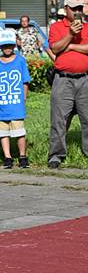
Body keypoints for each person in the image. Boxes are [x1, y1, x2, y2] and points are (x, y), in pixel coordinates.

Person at [47, 0, 88, 169]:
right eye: (74, 8)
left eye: (80, 8)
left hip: (85, 79)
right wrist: (70, 34)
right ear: (66, 9)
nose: (78, 11)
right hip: (63, 80)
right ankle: (56, 155)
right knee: (59, 120)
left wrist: (69, 46)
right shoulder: (56, 27)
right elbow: (55, 47)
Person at [0, 28, 30, 168]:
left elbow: (25, 81)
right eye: (4, 46)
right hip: (2, 105)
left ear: (14, 46)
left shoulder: (20, 61)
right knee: (3, 133)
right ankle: (7, 157)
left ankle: (22, 156)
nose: (7, 49)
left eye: (9, 46)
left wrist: (24, 97)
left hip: (16, 104)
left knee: (19, 132)